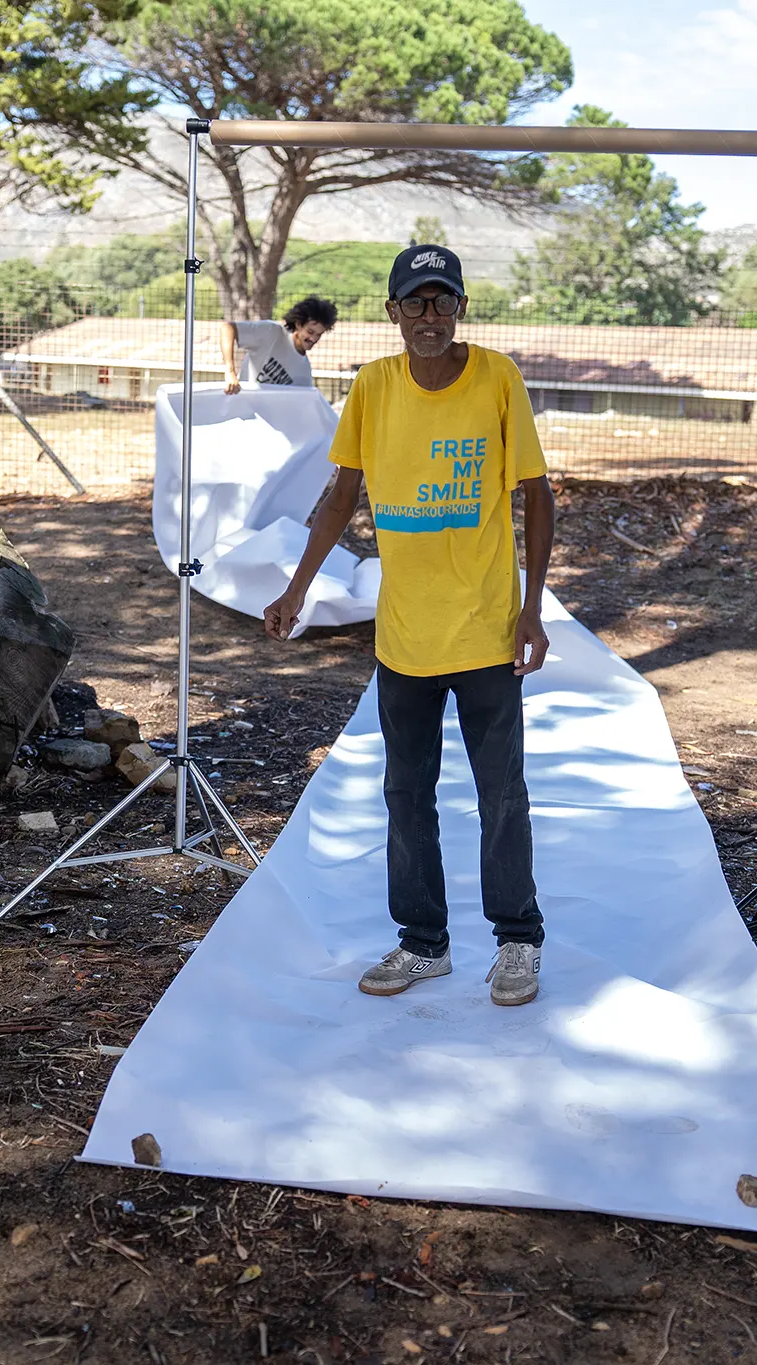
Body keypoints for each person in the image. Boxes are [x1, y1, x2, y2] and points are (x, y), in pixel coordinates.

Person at [263, 245, 555, 1007]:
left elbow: (537, 494)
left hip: (487, 630)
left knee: (501, 793)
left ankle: (518, 940)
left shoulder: (497, 377)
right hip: (404, 637)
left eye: (443, 300)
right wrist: (297, 587)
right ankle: (424, 943)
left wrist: (532, 608)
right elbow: (341, 494)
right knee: (406, 794)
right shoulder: (373, 385)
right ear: (393, 312)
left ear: (460, 308)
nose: (431, 316)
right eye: (416, 302)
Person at [221, 296, 337, 394]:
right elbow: (228, 328)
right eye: (310, 332)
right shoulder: (271, 332)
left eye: (319, 334)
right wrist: (230, 372)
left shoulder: (304, 373)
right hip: (241, 404)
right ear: (298, 324)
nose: (313, 339)